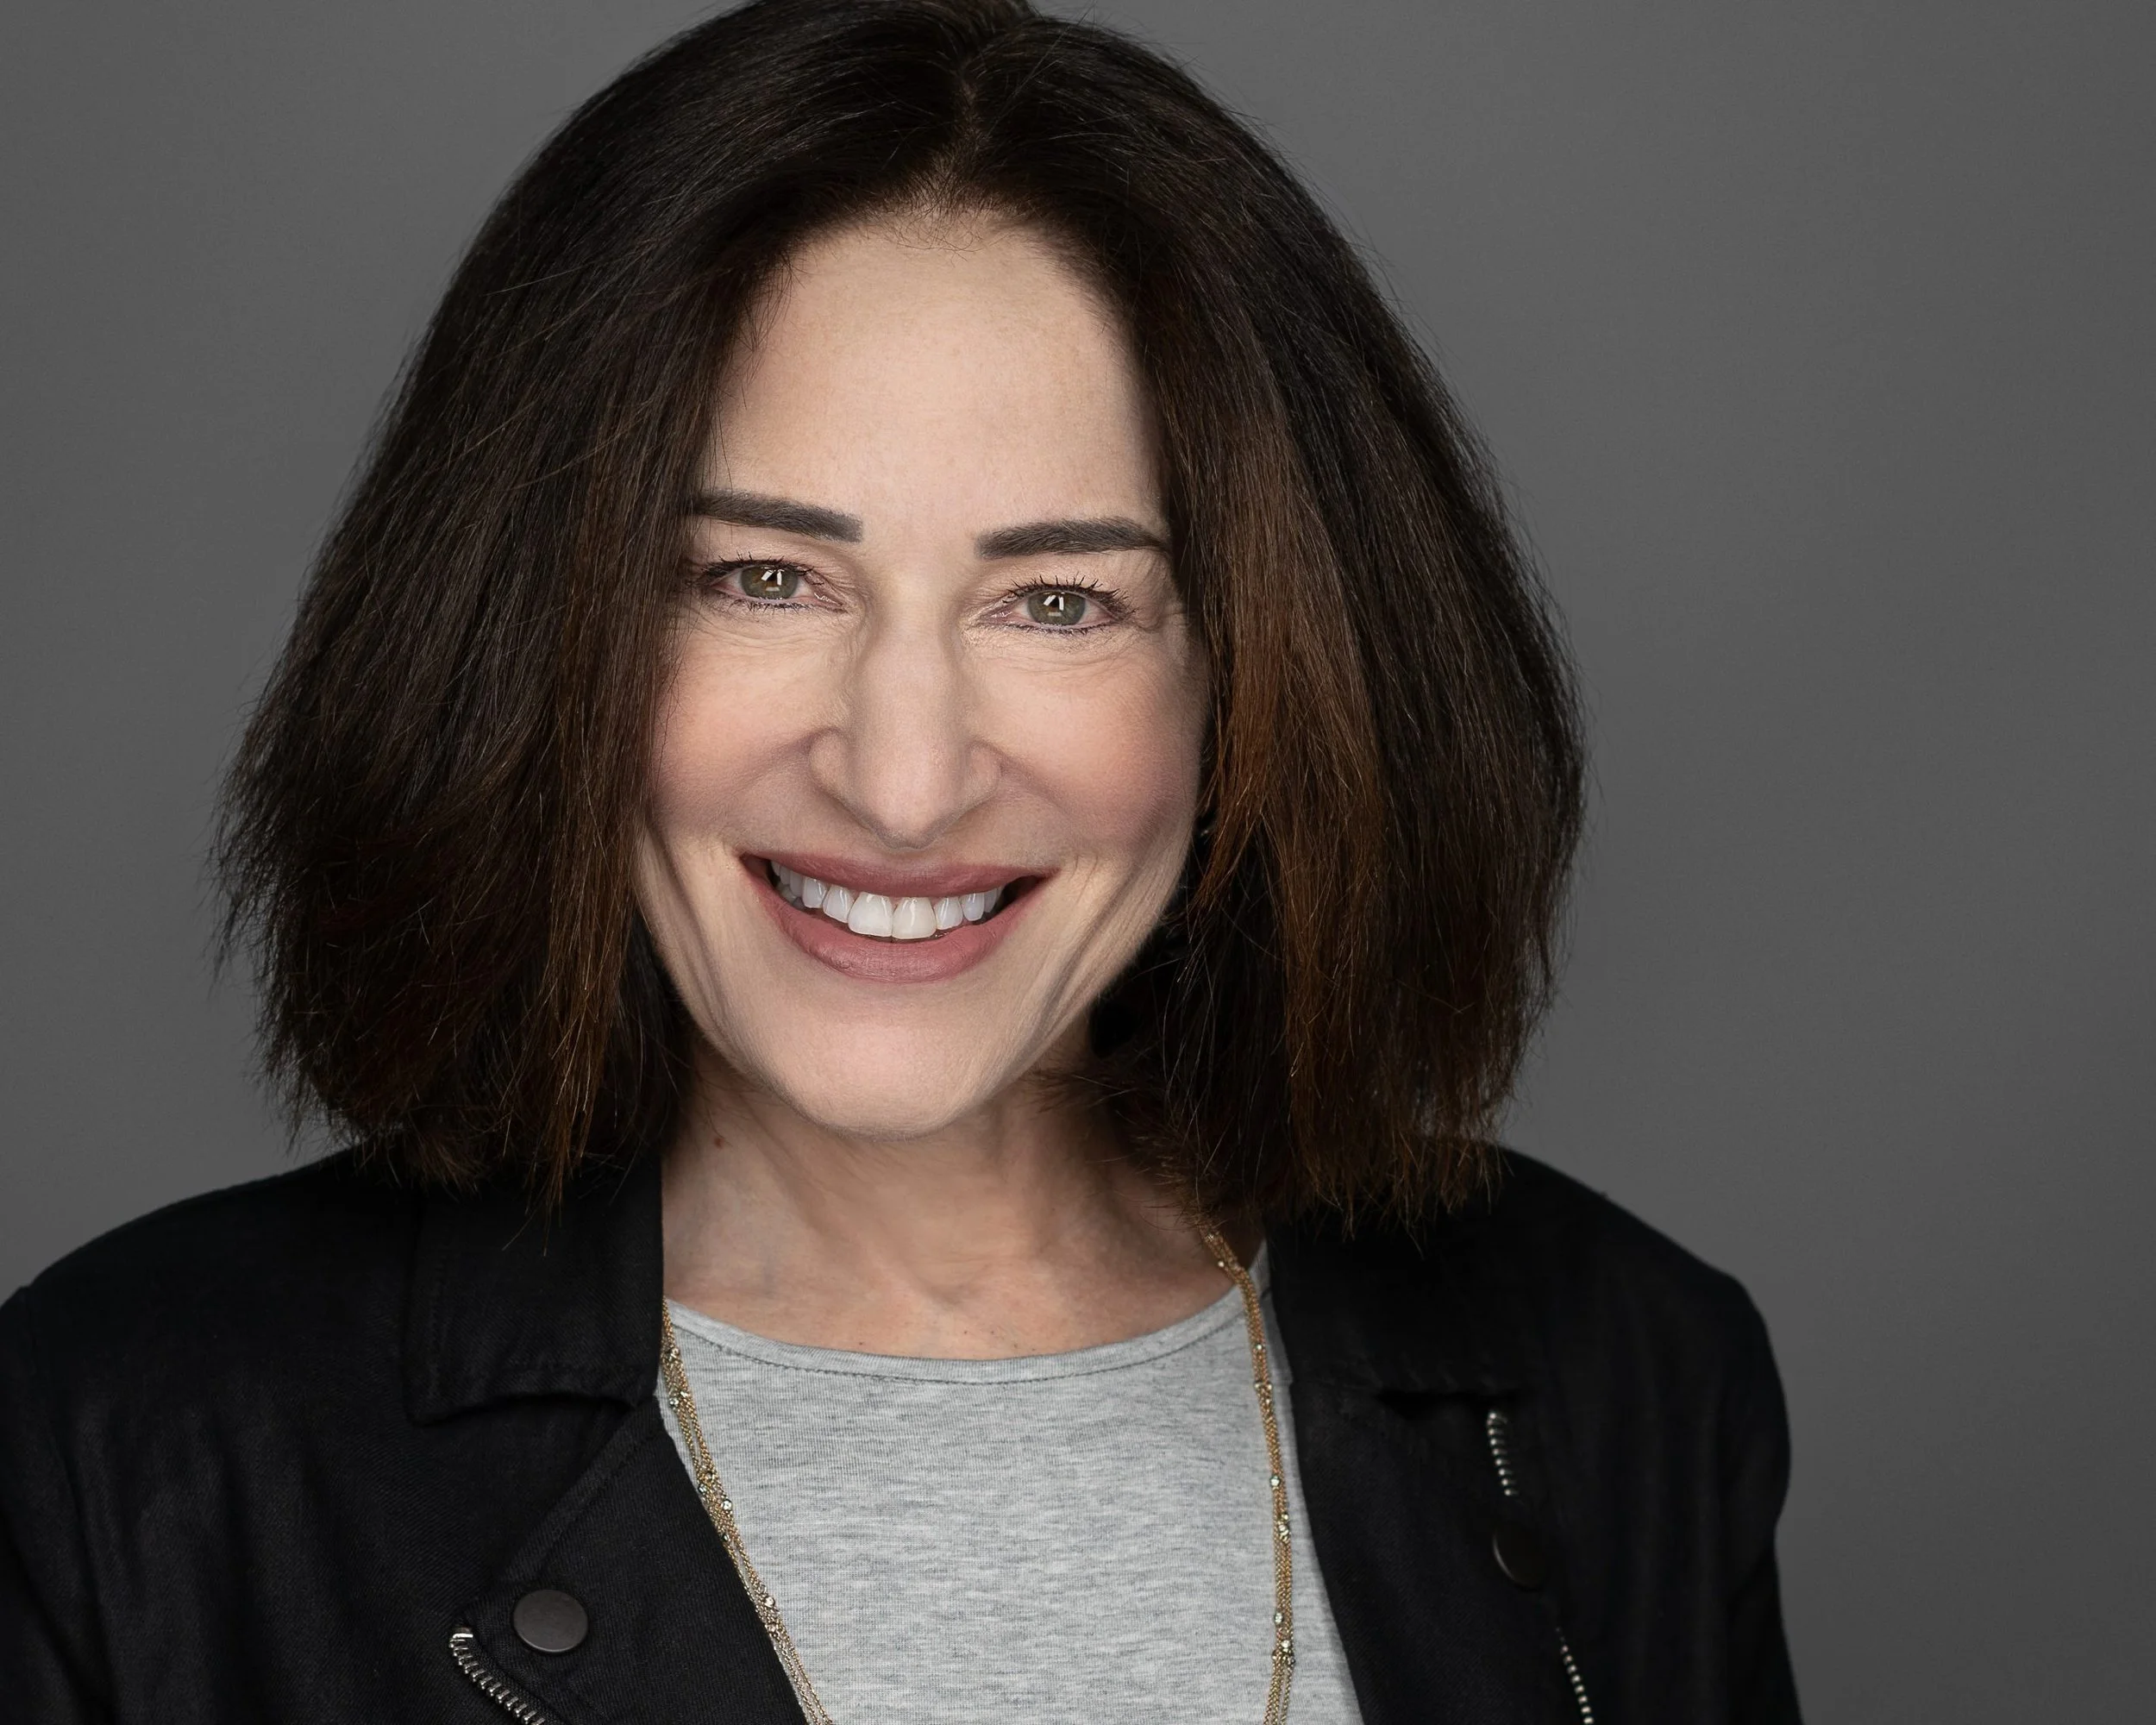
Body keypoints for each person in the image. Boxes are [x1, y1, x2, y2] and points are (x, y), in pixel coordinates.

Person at [0, 2, 1800, 1719]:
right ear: (536, 627)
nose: (904, 779)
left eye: (1058, 600)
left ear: (1267, 676)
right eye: (761, 578)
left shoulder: (1620, 1378)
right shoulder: (130, 1443)